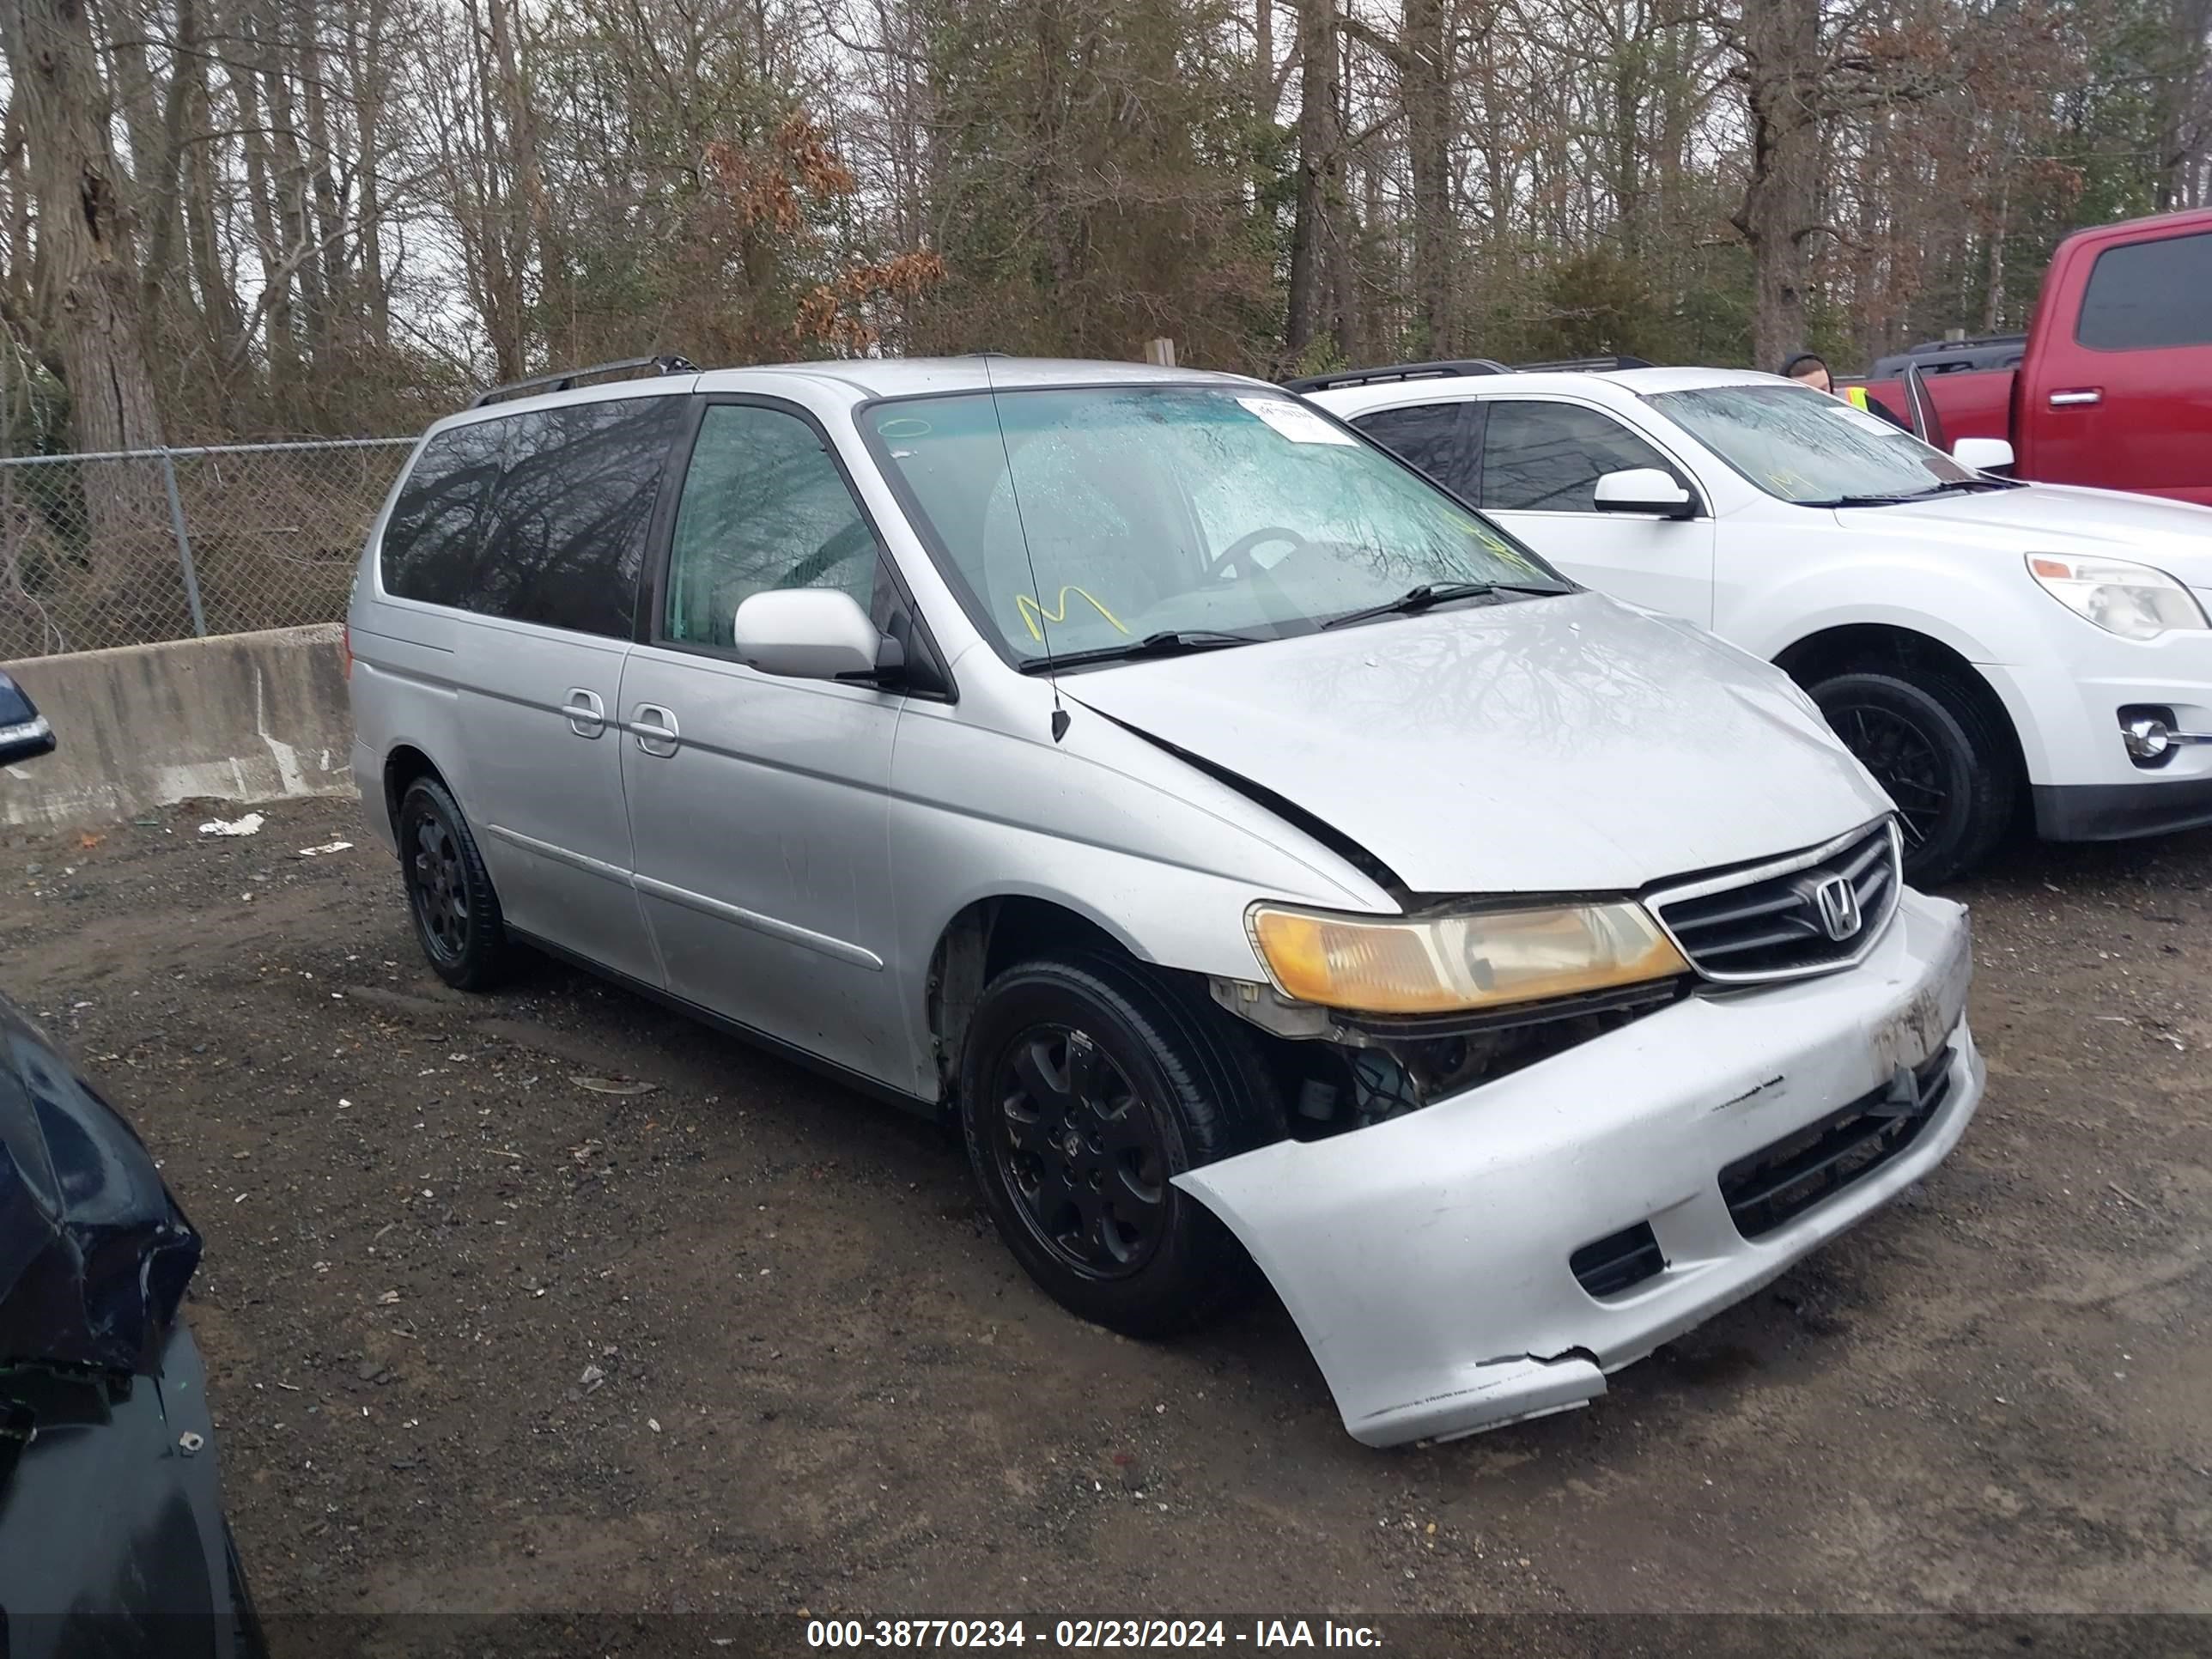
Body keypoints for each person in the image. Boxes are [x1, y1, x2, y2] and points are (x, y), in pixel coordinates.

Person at [1780, 351, 1911, 429]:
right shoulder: (1779, 420)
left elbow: (1902, 440)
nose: (1820, 396)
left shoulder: (1857, 401)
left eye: (1824, 388)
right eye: (1809, 393)